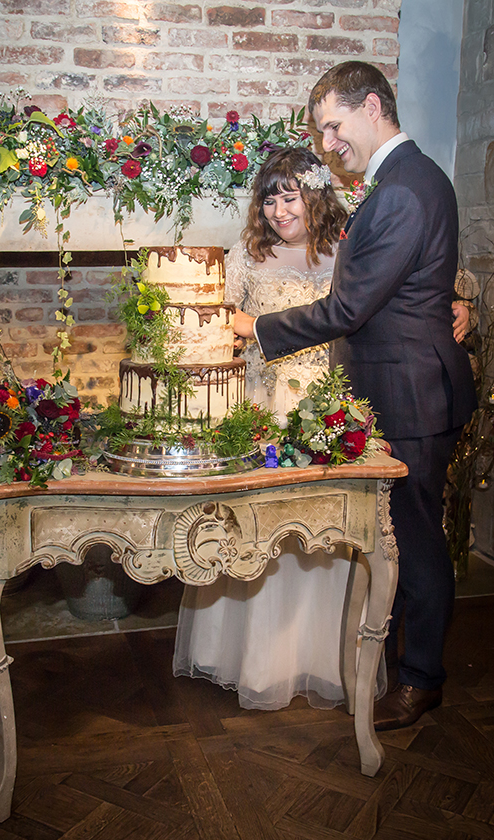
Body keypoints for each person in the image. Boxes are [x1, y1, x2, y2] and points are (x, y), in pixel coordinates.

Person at [234, 61, 477, 730]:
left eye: (333, 127)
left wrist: (257, 327)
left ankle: (422, 679)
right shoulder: (402, 180)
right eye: (319, 132)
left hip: (413, 395)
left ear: (373, 106)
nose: (327, 143)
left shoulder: (401, 188)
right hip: (394, 389)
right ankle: (391, 664)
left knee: (417, 546)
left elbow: (349, 307)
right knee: (394, 540)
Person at [173, 146, 371, 711]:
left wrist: (462, 302)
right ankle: (246, 657)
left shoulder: (345, 253)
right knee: (251, 529)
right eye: (271, 198)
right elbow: (211, 323)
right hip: (257, 405)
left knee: (315, 537)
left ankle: (311, 658)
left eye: (292, 196)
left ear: (316, 196)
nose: (281, 211)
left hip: (320, 408)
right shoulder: (247, 255)